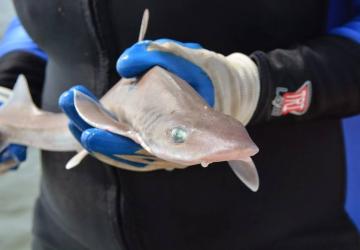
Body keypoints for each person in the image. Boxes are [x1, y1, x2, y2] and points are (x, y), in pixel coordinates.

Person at [0, 0, 360, 249]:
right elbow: (42, 20)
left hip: (295, 231)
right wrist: (11, 79)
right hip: (63, 233)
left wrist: (254, 85)